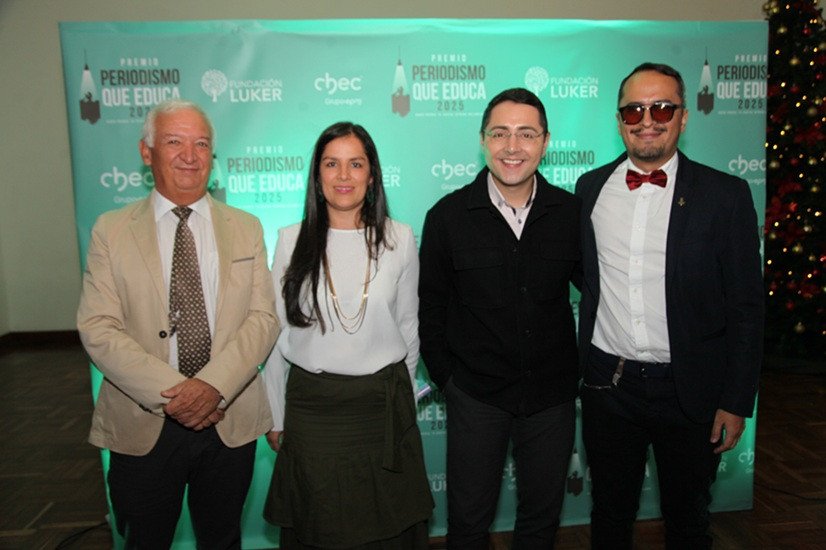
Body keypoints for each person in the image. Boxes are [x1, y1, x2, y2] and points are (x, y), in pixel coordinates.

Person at [575, 62, 764, 549]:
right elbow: (584, 275)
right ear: (619, 120)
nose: (647, 120)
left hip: (692, 390)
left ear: (683, 116)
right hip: (609, 385)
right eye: (634, 110)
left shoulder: (726, 195)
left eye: (661, 108)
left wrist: (736, 400)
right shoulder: (590, 190)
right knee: (610, 514)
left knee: (688, 520)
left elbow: (746, 306)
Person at [77, 99, 280, 549]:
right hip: (143, 419)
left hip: (227, 416)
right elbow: (99, 327)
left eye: (201, 144)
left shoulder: (246, 227)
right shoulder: (111, 230)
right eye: (174, 142)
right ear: (146, 152)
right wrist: (178, 394)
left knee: (222, 539)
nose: (190, 155)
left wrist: (212, 386)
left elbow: (263, 318)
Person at [418, 88, 581, 549]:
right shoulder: (447, 217)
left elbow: (601, 294)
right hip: (476, 396)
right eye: (500, 133)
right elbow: (429, 309)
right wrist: (450, 381)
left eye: (526, 134)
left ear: (545, 142)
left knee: (541, 523)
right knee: (468, 525)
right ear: (482, 140)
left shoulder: (571, 213)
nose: (513, 147)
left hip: (551, 398)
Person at [262, 122, 434, 549]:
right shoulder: (290, 240)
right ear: (317, 175)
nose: (343, 175)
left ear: (372, 175)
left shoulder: (400, 238)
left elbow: (408, 327)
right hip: (313, 414)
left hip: (381, 411)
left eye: (355, 164)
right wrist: (276, 415)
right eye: (331, 164)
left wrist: (403, 402)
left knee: (388, 532)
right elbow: (276, 337)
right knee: (317, 530)